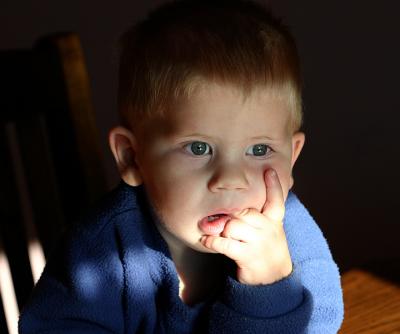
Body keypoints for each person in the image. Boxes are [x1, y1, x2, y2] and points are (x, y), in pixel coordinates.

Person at [19, 0, 344, 332]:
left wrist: (270, 286)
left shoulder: (288, 235)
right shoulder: (103, 252)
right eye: (199, 147)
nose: (231, 180)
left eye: (259, 149)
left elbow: (322, 323)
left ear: (290, 159)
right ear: (132, 157)